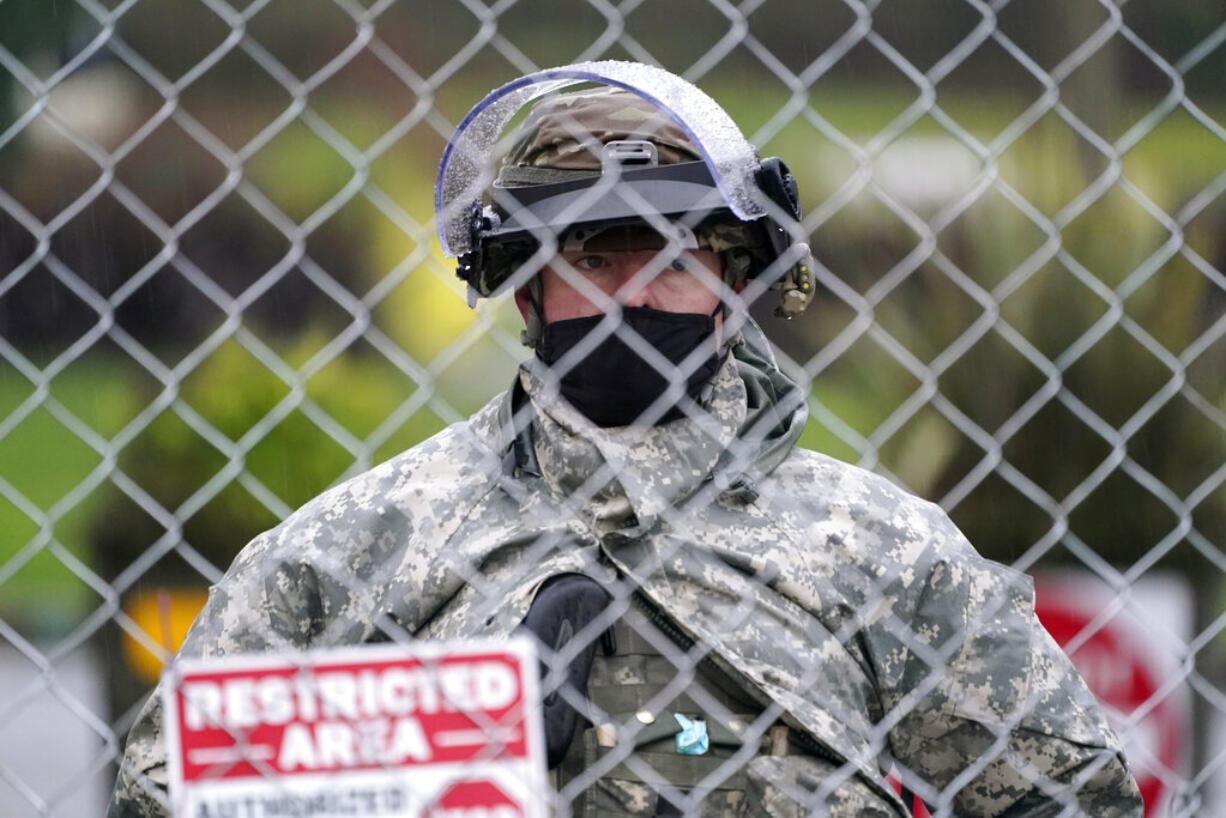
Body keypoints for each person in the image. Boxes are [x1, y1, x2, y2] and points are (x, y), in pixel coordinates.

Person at [109, 62, 1143, 817]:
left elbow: (1071, 794)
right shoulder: (357, 548)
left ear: (733, 286)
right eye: (596, 258)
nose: (635, 294)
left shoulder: (877, 546)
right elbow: (167, 789)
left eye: (677, 260)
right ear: (525, 287)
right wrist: (446, 748)